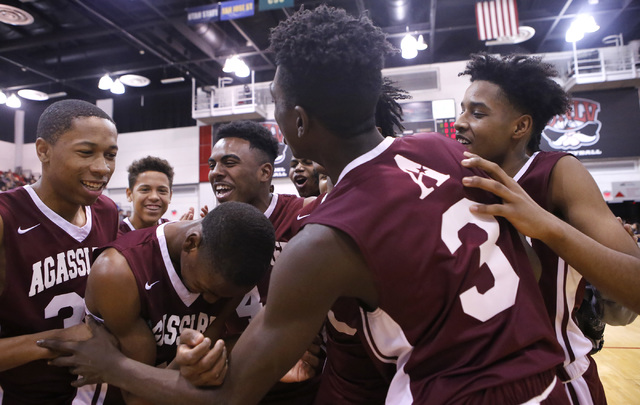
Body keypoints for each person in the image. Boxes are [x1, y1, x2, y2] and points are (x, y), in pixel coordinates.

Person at [40, 7, 568, 404]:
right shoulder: (445, 150)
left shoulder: (325, 239)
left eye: (275, 104)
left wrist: (112, 364)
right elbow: (533, 262)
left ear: (296, 123)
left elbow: (231, 397)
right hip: (548, 377)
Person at [455, 52, 640, 404]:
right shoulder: (457, 179)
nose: (461, 122)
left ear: (520, 127)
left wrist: (548, 227)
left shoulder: (558, 173)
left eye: (477, 113)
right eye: (462, 109)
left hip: (557, 381)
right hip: (474, 385)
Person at [85, 201, 275, 405]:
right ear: (191, 244)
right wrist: (189, 369)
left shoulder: (231, 275)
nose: (212, 301)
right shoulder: (117, 271)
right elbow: (137, 398)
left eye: (225, 297)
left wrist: (190, 365)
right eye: (208, 290)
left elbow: (208, 341)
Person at [0, 99, 120, 404]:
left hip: (97, 394)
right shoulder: (7, 218)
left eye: (110, 155)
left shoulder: (106, 211)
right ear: (43, 151)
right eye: (86, 152)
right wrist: (58, 340)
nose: (102, 168)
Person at [207, 119, 323, 404]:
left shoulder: (307, 214)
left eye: (229, 163)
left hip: (308, 381)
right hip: (235, 378)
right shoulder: (207, 230)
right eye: (212, 165)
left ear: (265, 171)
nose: (216, 173)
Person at [118, 156, 174, 236]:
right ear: (129, 194)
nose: (154, 197)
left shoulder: (172, 232)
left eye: (162, 191)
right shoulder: (113, 235)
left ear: (170, 196)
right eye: (145, 190)